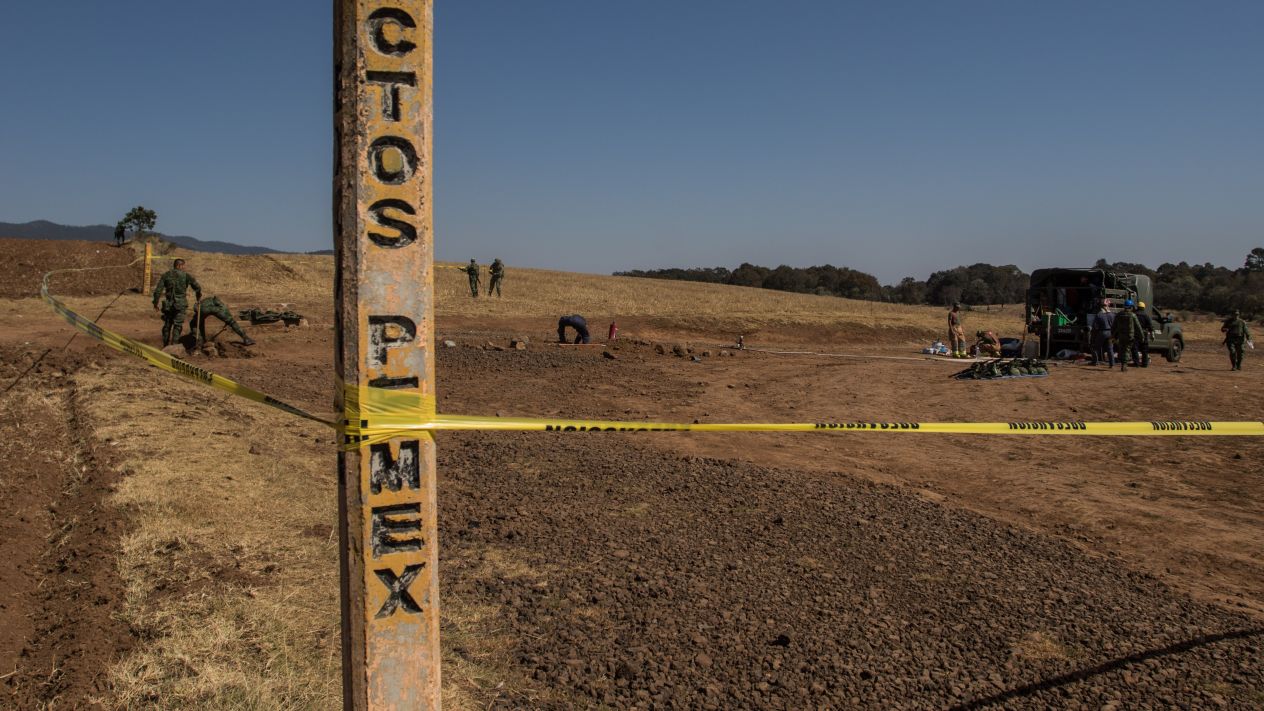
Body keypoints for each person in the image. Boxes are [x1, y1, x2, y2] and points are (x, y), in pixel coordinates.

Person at [151, 258, 202, 346]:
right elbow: (198, 287)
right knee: (177, 326)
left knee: (167, 325)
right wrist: (198, 298)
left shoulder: (166, 275)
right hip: (181, 305)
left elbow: (157, 291)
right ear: (179, 265)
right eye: (183, 266)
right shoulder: (186, 276)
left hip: (168, 305)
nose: (184, 268)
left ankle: (165, 346)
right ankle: (174, 346)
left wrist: (155, 303)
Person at [188, 296, 255, 346]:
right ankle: (246, 339)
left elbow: (195, 308)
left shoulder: (201, 303)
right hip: (217, 308)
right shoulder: (220, 304)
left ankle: (200, 342)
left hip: (203, 308)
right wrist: (228, 320)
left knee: (194, 323)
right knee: (232, 322)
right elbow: (226, 312)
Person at [1114, 300, 1144, 372]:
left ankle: (1122, 363)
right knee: (1127, 350)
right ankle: (1124, 364)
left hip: (1121, 335)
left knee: (1121, 349)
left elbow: (1114, 326)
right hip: (1129, 336)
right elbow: (1138, 327)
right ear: (1131, 307)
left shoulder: (1119, 314)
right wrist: (1142, 336)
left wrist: (1113, 335)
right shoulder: (1133, 315)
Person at [1132, 301, 1154, 367]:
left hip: (1135, 334)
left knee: (1135, 348)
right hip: (1144, 334)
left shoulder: (1134, 314)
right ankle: (1144, 364)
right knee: (1144, 349)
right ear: (1143, 308)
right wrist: (1152, 334)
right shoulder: (1146, 316)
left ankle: (1136, 363)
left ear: (1138, 307)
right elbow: (1150, 326)